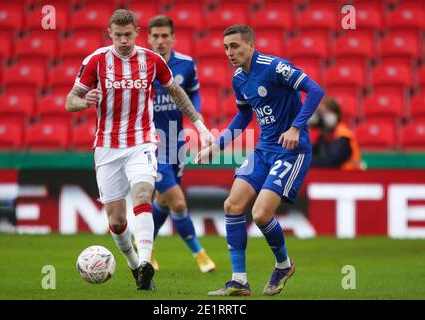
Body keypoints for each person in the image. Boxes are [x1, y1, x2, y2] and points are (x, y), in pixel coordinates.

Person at [65, 9, 214, 291]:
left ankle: (146, 261)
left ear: (137, 32)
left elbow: (177, 92)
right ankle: (135, 265)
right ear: (110, 33)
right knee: (117, 219)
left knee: (144, 193)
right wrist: (85, 101)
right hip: (107, 146)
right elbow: (69, 100)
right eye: (117, 35)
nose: (123, 40)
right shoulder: (95, 61)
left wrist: (201, 127)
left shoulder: (151, 60)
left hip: (142, 142)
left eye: (128, 34)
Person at [196, 25, 324, 296]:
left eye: (235, 46)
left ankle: (283, 265)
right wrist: (216, 147)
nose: (230, 52)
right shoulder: (239, 78)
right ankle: (239, 280)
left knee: (261, 214)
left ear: (251, 45)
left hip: (292, 150)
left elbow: (315, 91)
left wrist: (296, 127)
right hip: (264, 149)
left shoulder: (275, 67)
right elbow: (243, 116)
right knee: (232, 204)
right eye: (226, 47)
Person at [147, 15, 216, 273]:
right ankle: (200, 254)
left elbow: (194, 92)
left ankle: (147, 247)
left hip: (176, 141)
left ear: (173, 38)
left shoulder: (185, 64)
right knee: (178, 202)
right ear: (149, 38)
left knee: (163, 201)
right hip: (150, 144)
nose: (160, 41)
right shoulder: (141, 66)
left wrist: (196, 117)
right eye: (155, 36)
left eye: (165, 36)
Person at [310, 97, 363, 170]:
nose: (320, 118)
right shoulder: (324, 136)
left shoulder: (343, 135)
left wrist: (307, 163)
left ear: (333, 116)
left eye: (323, 113)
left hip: (352, 175)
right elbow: (313, 154)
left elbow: (332, 161)